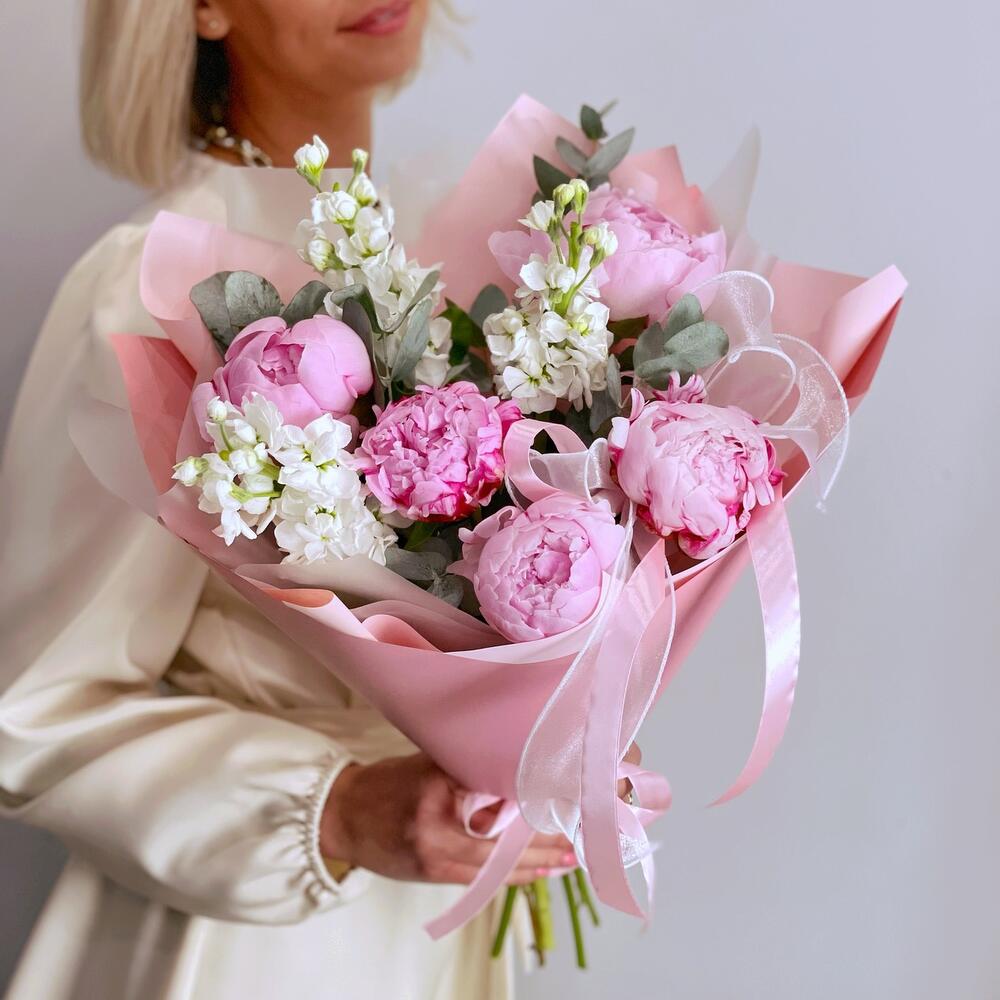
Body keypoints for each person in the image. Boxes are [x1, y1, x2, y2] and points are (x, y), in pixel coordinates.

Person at [0, 2, 578, 997]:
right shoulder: (149, 287)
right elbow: (38, 707)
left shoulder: (453, 251)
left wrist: (569, 715)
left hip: (445, 929)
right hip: (252, 951)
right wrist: (338, 809)